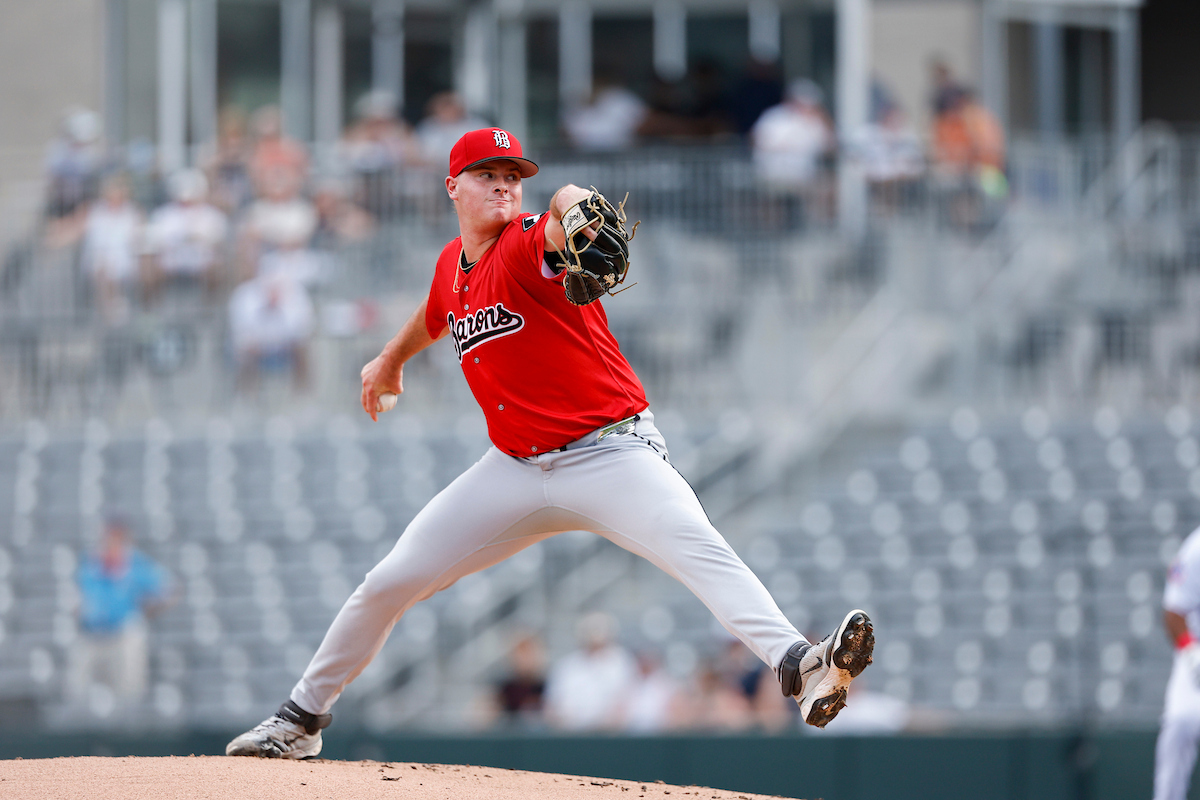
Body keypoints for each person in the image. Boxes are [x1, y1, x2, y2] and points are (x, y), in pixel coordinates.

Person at [225, 126, 875, 759]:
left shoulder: (528, 243)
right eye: (489, 176)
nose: (505, 187)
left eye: (513, 177)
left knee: (697, 545)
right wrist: (390, 360)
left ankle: (799, 663)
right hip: (511, 469)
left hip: (609, 454)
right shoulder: (451, 266)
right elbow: (434, 314)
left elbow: (562, 204)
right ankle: (300, 718)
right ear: (453, 186)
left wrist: (574, 206)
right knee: (390, 580)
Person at [69, 518, 172, 710]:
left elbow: (166, 590)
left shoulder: (136, 563)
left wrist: (144, 611)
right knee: (78, 687)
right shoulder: (91, 561)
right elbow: (80, 592)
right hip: (91, 633)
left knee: (128, 687)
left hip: (122, 632)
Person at [1154, 525, 1200, 800]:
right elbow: (1173, 612)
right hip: (1197, 654)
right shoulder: (1197, 547)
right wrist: (1191, 654)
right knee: (1180, 722)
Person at [143, 169, 230, 301]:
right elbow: (157, 241)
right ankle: (153, 308)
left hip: (201, 260)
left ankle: (209, 308)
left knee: (217, 266)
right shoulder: (164, 214)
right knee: (149, 265)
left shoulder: (212, 215)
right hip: (171, 260)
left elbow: (217, 240)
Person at [543, 612, 637, 731]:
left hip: (610, 737)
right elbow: (552, 707)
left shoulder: (622, 663)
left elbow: (625, 706)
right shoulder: (566, 666)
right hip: (571, 737)